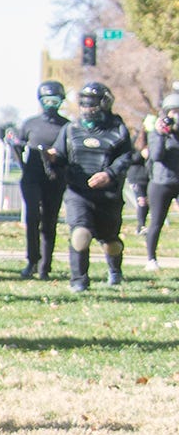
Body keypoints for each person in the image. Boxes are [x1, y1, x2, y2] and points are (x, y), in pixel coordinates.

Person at [52, 81, 138, 292]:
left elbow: (127, 157)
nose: (87, 108)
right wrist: (50, 157)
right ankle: (79, 281)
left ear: (105, 103)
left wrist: (109, 174)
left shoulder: (118, 130)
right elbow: (60, 155)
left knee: (111, 242)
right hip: (78, 192)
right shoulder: (70, 129)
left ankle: (115, 270)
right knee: (80, 234)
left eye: (92, 103)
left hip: (108, 195)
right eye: (84, 103)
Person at [11, 80, 72, 279]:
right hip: (31, 177)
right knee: (32, 218)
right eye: (46, 101)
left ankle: (45, 265)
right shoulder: (30, 123)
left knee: (49, 221)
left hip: (56, 178)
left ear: (61, 101)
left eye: (55, 101)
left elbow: (71, 153)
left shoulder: (67, 126)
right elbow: (17, 146)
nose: (50, 105)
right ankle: (32, 260)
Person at [144, 93, 179, 269]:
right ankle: (151, 259)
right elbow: (156, 156)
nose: (176, 115)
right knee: (156, 222)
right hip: (161, 182)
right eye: (173, 112)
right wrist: (160, 134)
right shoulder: (157, 133)